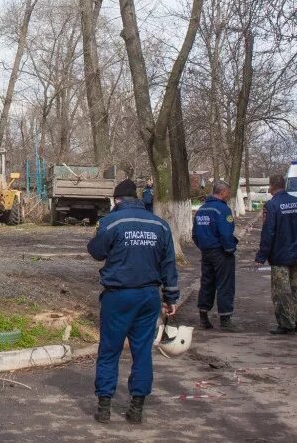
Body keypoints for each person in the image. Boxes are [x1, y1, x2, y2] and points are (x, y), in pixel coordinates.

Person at [87, 179, 179, 425]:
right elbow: (168, 264)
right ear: (137, 198)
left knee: (109, 351)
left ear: (117, 200)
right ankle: (136, 409)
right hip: (148, 296)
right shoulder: (159, 224)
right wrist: (171, 297)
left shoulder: (112, 221)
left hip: (118, 295)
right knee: (142, 352)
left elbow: (96, 252)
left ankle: (104, 408)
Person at [255, 174, 297, 335]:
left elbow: (268, 233)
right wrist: (296, 241)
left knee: (281, 291)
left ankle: (286, 324)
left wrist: (261, 255)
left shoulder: (272, 205)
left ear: (272, 185)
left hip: (280, 255)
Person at [193, 181, 239, 331]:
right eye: (228, 192)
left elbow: (195, 234)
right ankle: (225, 320)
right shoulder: (222, 209)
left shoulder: (201, 209)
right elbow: (226, 233)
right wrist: (230, 249)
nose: (229, 195)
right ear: (223, 192)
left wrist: (204, 246)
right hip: (221, 252)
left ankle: (203, 318)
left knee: (207, 284)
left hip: (206, 252)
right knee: (225, 285)